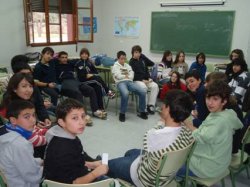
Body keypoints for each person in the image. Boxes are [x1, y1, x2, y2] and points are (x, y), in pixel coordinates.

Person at [107, 90, 194, 186]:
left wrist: (161, 121)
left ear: (168, 109)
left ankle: (98, 165)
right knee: (130, 152)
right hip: (165, 176)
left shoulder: (155, 135)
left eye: (164, 105)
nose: (162, 107)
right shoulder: (187, 132)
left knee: (108, 165)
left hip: (145, 179)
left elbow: (153, 134)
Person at [179, 80, 243, 178]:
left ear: (224, 101)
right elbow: (207, 132)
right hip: (220, 163)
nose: (210, 102)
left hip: (207, 168)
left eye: (215, 99)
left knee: (167, 166)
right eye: (208, 97)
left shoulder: (219, 121)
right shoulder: (228, 113)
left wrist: (188, 124)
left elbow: (201, 137)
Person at [43, 98, 108, 184]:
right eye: (75, 118)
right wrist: (95, 173)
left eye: (83, 116)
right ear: (61, 122)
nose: (82, 122)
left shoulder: (67, 135)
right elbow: (73, 183)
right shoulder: (62, 149)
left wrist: (92, 164)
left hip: (78, 173)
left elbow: (75, 161)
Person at [0, 100, 43, 187]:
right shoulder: (21, 144)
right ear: (13, 120)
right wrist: (48, 167)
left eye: (33, 115)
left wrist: (40, 162)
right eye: (27, 117)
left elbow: (21, 161)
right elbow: (34, 178)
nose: (33, 120)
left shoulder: (5, 132)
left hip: (11, 179)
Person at [56, 51, 107, 119]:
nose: (64, 59)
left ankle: (95, 111)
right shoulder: (56, 66)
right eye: (62, 57)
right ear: (59, 58)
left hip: (75, 81)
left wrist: (90, 59)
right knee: (78, 93)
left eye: (66, 57)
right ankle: (83, 114)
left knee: (91, 90)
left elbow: (80, 59)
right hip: (65, 82)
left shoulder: (70, 63)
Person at [112, 51, 147, 122]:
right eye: (121, 59)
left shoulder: (127, 65)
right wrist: (125, 76)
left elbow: (132, 74)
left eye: (124, 59)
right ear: (118, 58)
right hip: (120, 83)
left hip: (129, 82)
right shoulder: (115, 66)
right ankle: (122, 113)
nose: (123, 60)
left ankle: (142, 111)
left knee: (143, 91)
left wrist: (127, 76)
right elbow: (118, 76)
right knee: (125, 93)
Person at [129, 45, 159, 115]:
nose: (137, 54)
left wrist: (148, 78)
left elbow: (148, 67)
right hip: (137, 80)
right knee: (143, 87)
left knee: (155, 86)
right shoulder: (131, 62)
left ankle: (150, 105)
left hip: (146, 80)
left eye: (139, 52)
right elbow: (133, 76)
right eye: (136, 52)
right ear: (132, 53)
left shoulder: (142, 59)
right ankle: (143, 108)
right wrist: (142, 80)